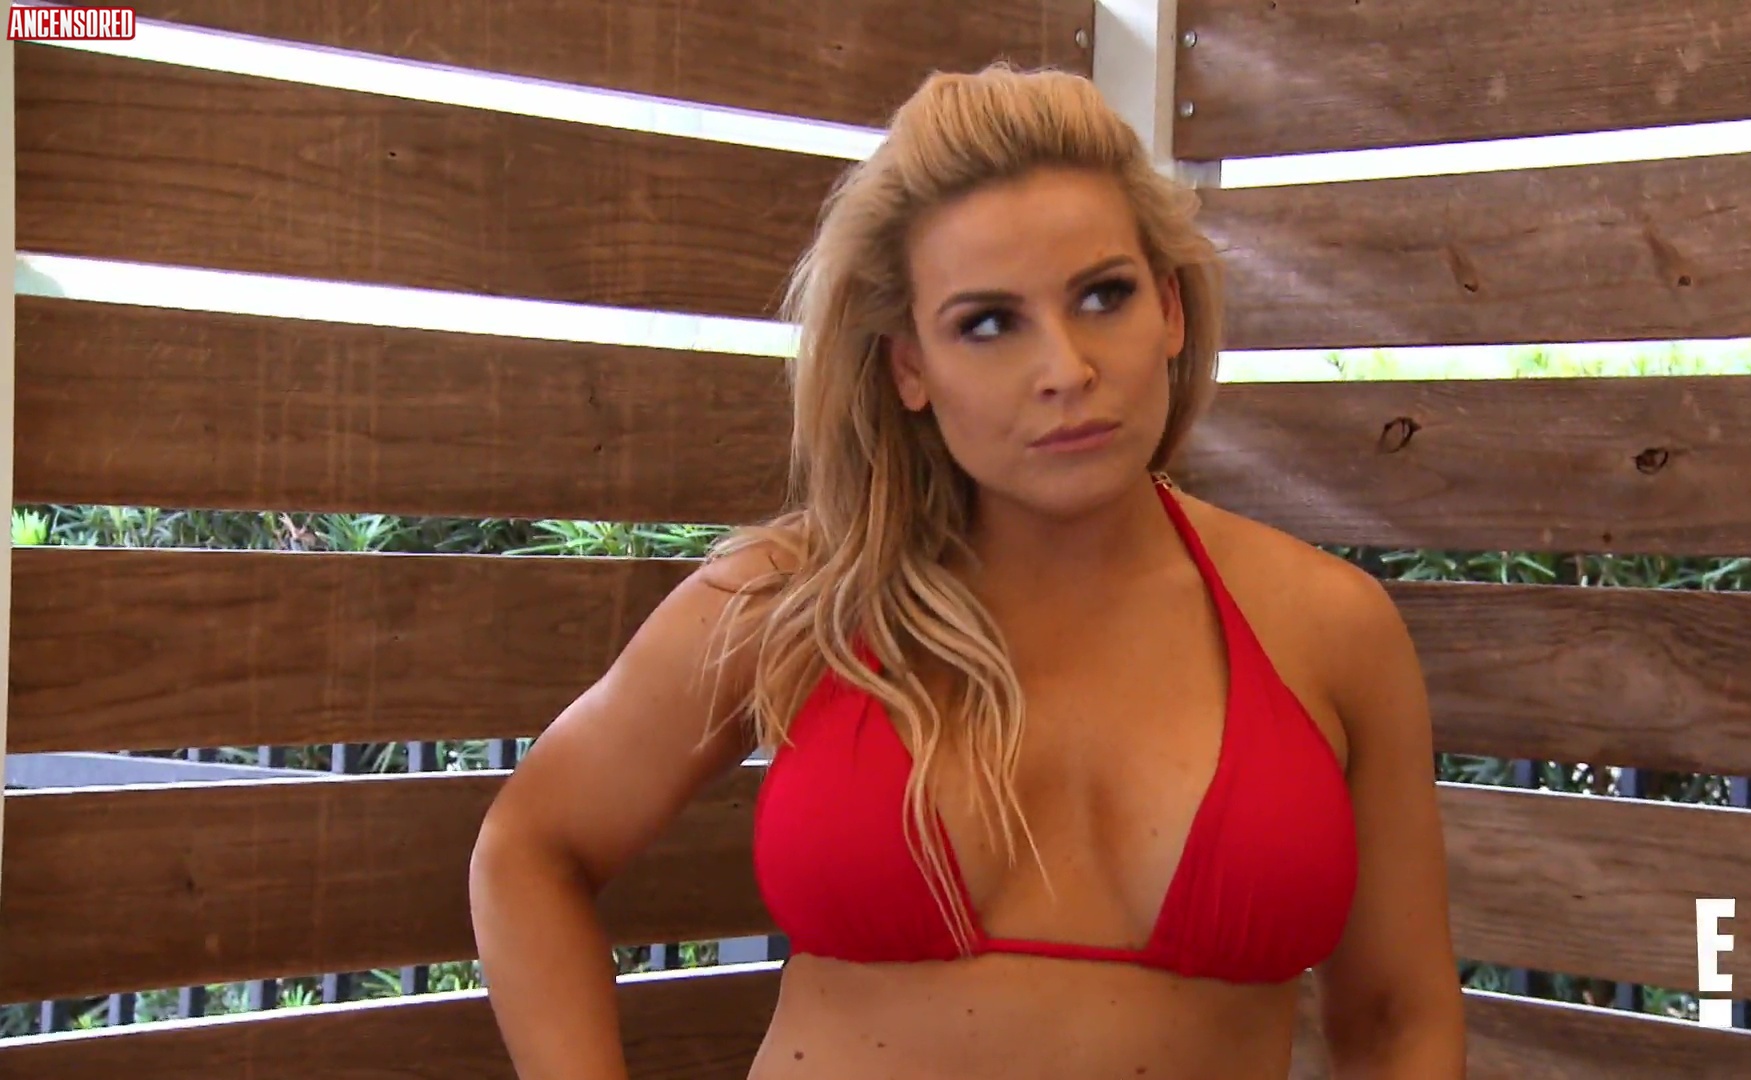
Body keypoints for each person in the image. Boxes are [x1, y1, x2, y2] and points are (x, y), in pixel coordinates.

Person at [469, 62, 1466, 1079]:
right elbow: (529, 849)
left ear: (1169, 308)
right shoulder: (794, 597)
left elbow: (1400, 1022)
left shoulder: (1329, 627)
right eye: (988, 324)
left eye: (1104, 296)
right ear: (910, 365)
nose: (1066, 370)